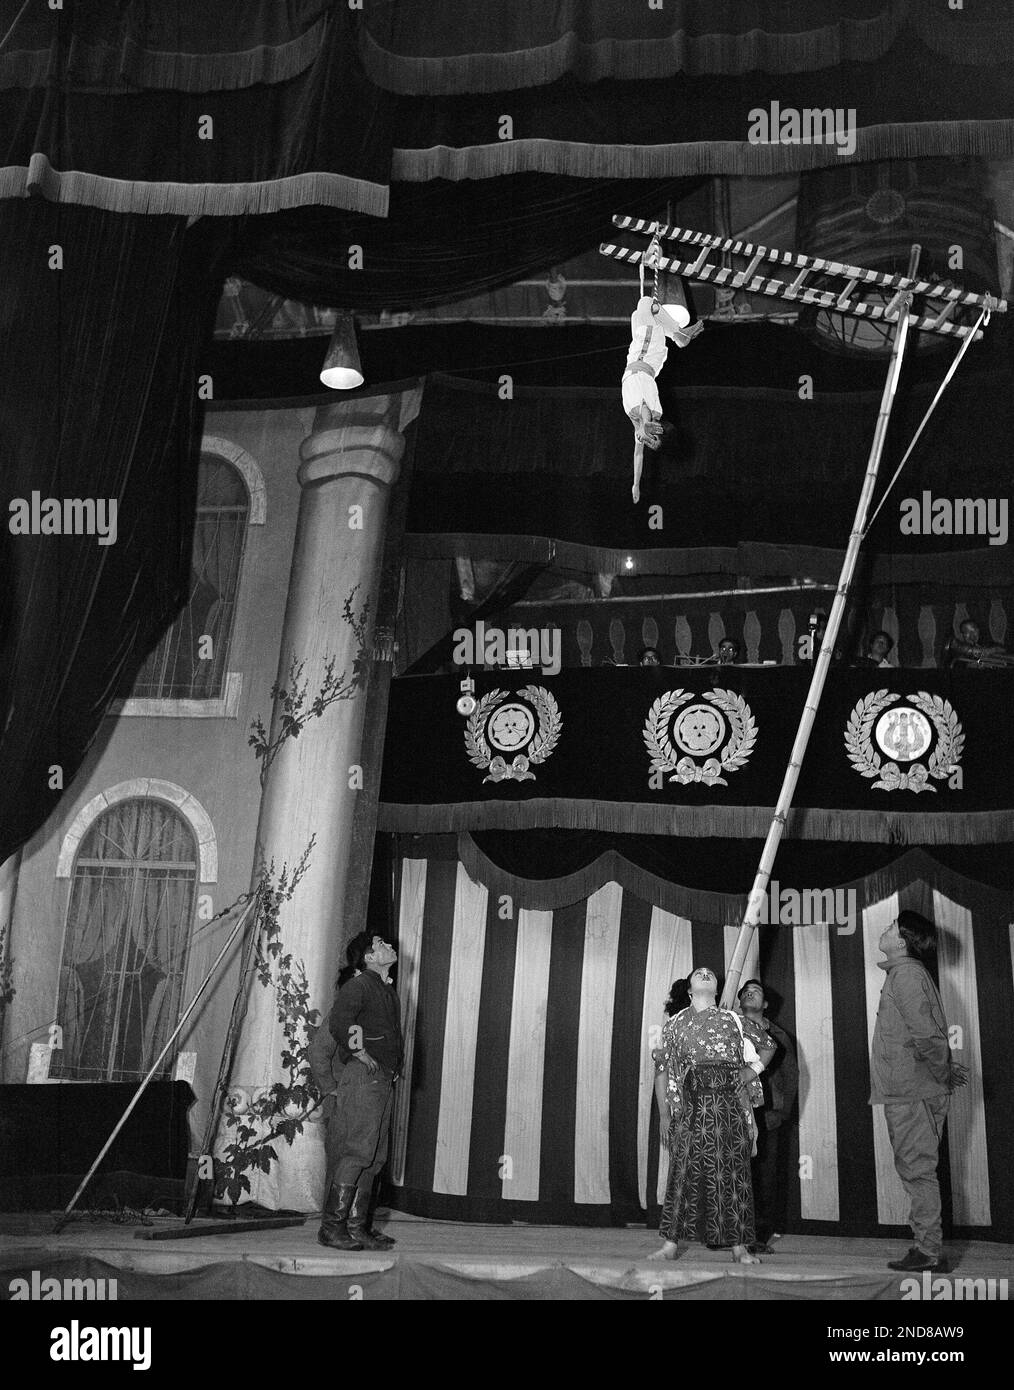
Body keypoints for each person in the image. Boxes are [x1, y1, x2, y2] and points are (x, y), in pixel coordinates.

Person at [870, 910, 969, 1273]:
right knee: (916, 1170)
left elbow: (927, 1035)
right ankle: (925, 1248)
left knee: (917, 1171)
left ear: (902, 941)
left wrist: (942, 1071)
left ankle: (928, 1253)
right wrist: (943, 1071)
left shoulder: (907, 974)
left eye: (890, 927)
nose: (883, 930)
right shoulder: (903, 973)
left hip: (911, 1092)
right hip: (909, 1089)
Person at [651, 966, 765, 1264]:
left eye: (710, 973)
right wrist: (665, 1114)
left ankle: (740, 1248)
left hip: (729, 1108)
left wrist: (751, 1071)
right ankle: (669, 1246)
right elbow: (662, 1070)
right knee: (681, 1171)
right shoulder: (675, 1024)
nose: (705, 973)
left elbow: (768, 1046)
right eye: (699, 973)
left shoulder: (734, 1020)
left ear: (716, 989)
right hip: (692, 1107)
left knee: (733, 1173)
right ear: (689, 990)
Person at [317, 932, 403, 1252]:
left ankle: (357, 1226)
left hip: (382, 1080)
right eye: (381, 944)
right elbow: (340, 1022)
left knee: (374, 1158)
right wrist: (359, 1052)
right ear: (368, 957)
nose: (389, 946)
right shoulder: (359, 985)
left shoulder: (385, 990)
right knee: (357, 1153)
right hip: (364, 1078)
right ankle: (332, 1227)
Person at [623, 276, 703, 502]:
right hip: (646, 354)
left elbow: (638, 455)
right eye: (654, 438)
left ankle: (677, 335)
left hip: (641, 354)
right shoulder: (649, 413)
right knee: (648, 304)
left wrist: (635, 484)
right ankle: (679, 335)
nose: (646, 440)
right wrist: (647, 425)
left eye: (649, 443)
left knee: (638, 314)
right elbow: (646, 413)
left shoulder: (638, 425)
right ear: (657, 429)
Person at [737, 979, 798, 1251]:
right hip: (733, 1113)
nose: (751, 992)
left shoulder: (779, 1037)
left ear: (765, 1005)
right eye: (746, 991)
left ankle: (757, 1236)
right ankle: (727, 1232)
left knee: (764, 1175)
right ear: (739, 1001)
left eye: (757, 991)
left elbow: (791, 1075)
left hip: (766, 1114)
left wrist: (782, 1112)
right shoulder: (725, 1030)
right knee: (730, 1173)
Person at [941, 618, 1007, 669]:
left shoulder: (989, 644)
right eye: (967, 632)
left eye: (974, 630)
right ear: (963, 635)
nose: (972, 634)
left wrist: (992, 650)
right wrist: (970, 666)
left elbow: (1004, 650)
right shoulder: (958, 651)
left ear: (978, 630)